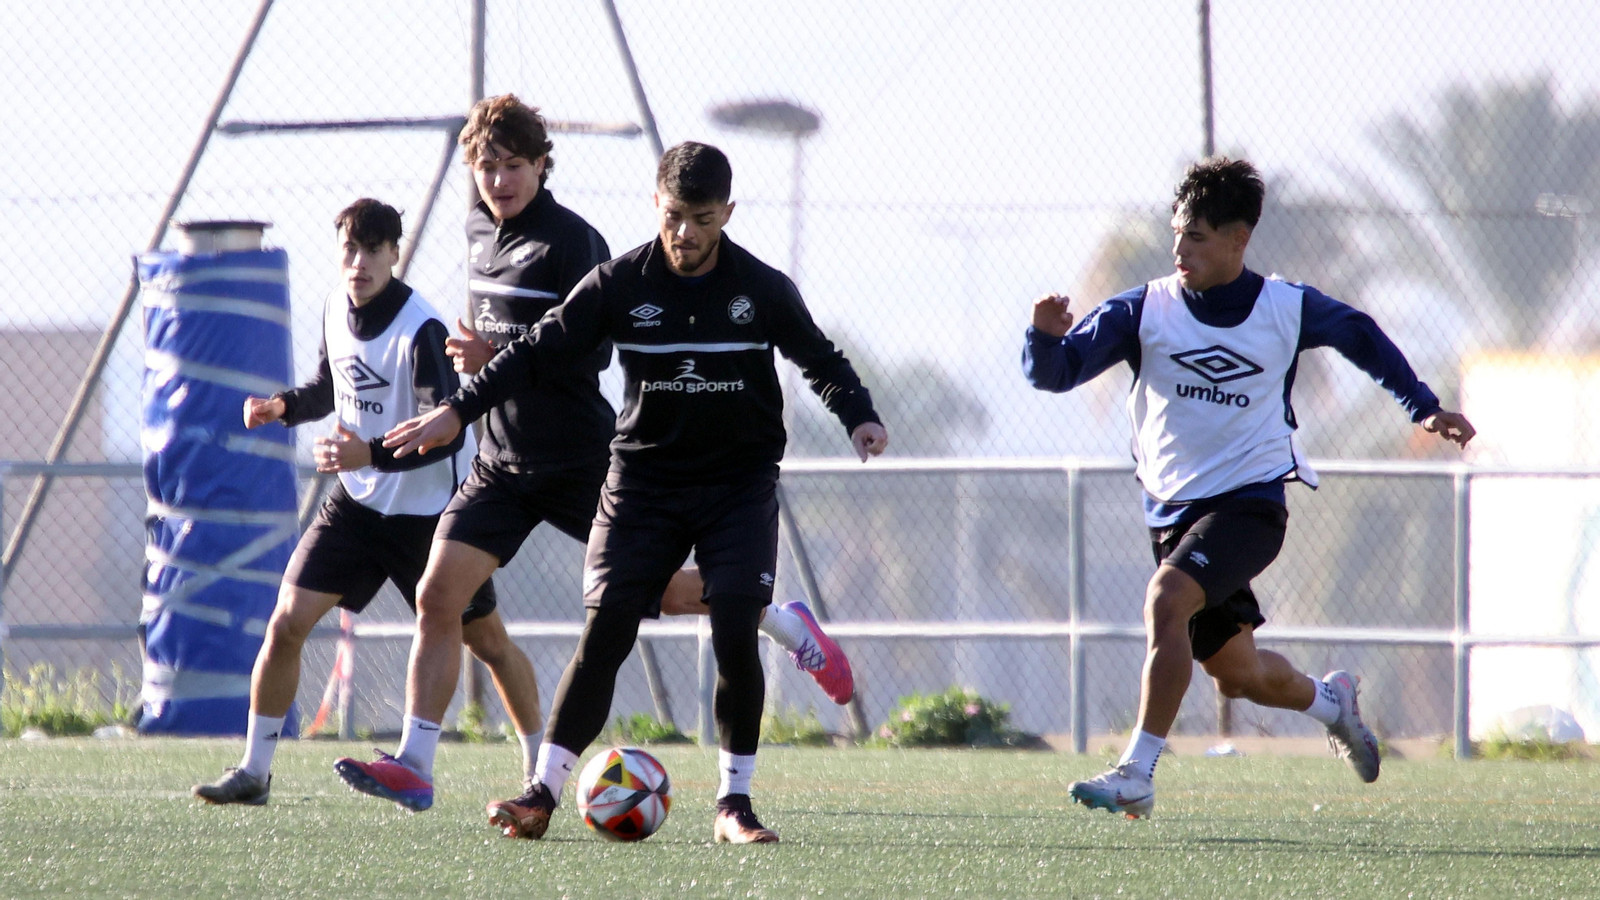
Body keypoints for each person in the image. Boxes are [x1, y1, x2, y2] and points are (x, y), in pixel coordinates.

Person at [330, 98, 856, 831]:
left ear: (542, 166)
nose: (498, 180)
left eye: (513, 165)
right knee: (439, 593)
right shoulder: (478, 227)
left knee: (665, 598)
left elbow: (585, 349)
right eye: (486, 166)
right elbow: (519, 348)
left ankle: (775, 624)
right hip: (501, 463)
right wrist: (463, 407)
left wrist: (491, 357)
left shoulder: (575, 243)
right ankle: (419, 765)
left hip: (580, 457)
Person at [1022, 158, 1476, 819]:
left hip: (1250, 506)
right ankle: (1332, 703)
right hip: (1172, 516)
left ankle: (1137, 772)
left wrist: (1422, 406)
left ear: (1239, 239)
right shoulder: (1143, 309)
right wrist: (1043, 338)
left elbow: (1359, 333)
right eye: (1177, 234)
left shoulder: (1285, 308)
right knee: (1239, 675)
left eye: (1197, 236)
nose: (1180, 250)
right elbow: (1057, 373)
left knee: (1166, 599)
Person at [192, 198, 540, 809]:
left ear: (394, 255)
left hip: (427, 517)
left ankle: (542, 764)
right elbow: (331, 385)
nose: (359, 263)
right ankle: (253, 770)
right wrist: (283, 406)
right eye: (350, 249)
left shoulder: (421, 329)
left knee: (487, 643)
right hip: (354, 508)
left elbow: (445, 434)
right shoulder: (334, 306)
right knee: (287, 621)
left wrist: (368, 454)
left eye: (373, 250)